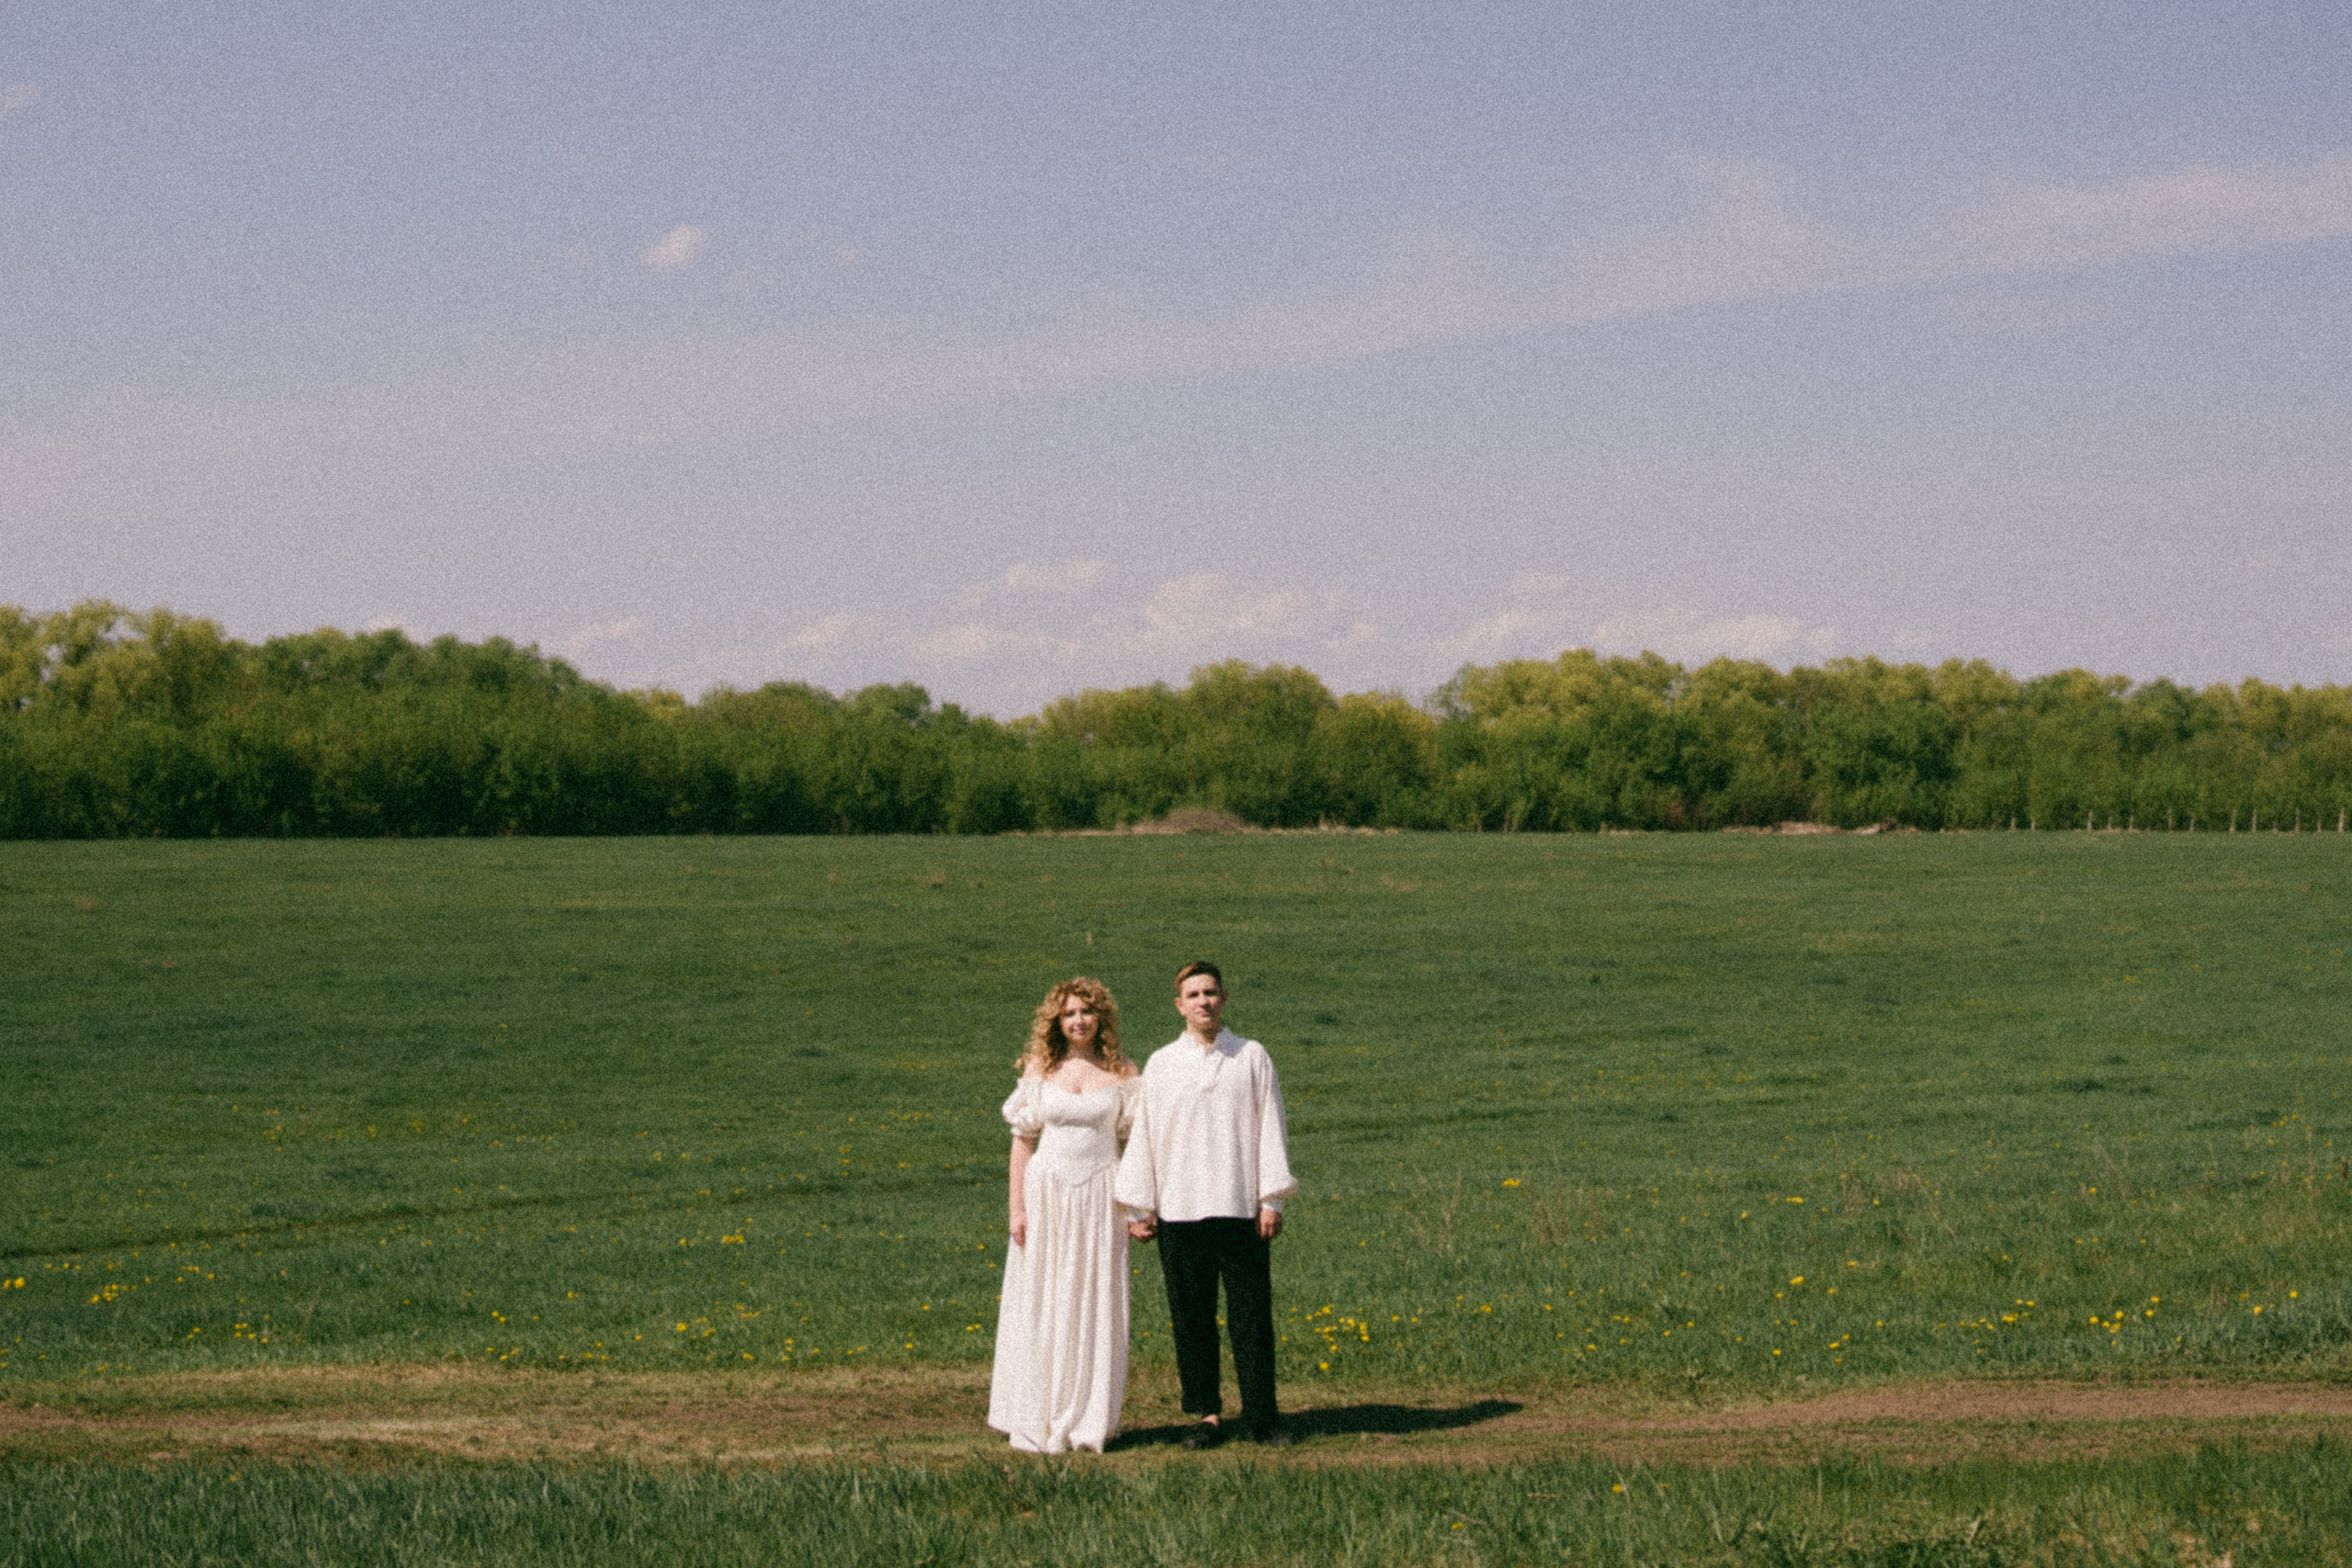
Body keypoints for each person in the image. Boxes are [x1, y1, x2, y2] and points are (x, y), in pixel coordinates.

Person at [1115, 960, 1297, 1449]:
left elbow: (1270, 1127)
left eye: (1211, 993)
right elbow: (1146, 1135)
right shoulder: (1162, 1063)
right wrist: (1139, 1206)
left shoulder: (1252, 1056)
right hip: (1180, 1209)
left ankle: (1262, 1416)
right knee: (1192, 1317)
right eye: (1193, 995)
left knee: (1251, 1316)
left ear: (1224, 998)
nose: (1203, 1002)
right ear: (1179, 1005)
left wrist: (1272, 1199)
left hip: (1240, 1207)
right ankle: (1206, 1415)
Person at [986, 976, 1141, 1454]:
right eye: (1070, 1013)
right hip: (1047, 1195)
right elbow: (1022, 1142)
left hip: (1101, 1196)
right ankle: (1040, 1413)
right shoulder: (1039, 1069)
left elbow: (1136, 1145)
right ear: (1057, 1020)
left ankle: (1088, 1418)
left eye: (1087, 1012)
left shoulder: (1123, 1071)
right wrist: (1017, 1211)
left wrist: (1137, 1207)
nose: (1079, 1021)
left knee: (1094, 1296)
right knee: (1045, 1296)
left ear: (1101, 1019)